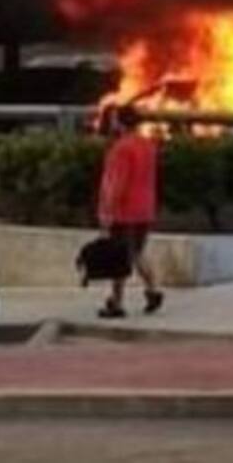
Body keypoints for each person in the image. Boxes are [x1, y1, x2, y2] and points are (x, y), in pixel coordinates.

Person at [96, 104, 164, 318]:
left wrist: (107, 211)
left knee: (120, 258)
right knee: (137, 252)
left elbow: (117, 183)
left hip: (124, 211)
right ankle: (153, 290)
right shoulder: (148, 146)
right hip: (145, 209)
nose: (112, 123)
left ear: (121, 123)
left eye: (115, 119)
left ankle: (116, 303)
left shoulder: (121, 149)